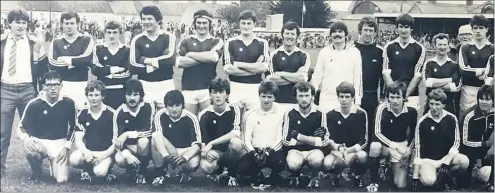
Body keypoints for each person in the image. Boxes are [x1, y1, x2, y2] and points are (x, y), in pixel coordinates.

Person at [0, 8, 47, 176]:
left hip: (28, 89)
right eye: (17, 22)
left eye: (24, 23)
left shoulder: (34, 42)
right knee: (3, 131)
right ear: (9, 23)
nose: (21, 26)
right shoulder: (2, 41)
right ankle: (0, 167)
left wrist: (40, 90)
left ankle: (36, 168)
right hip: (6, 89)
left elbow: (43, 69)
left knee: (33, 130)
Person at [16, 71, 76, 183]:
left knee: (62, 180)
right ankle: (36, 172)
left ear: (61, 86)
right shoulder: (35, 103)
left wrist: (66, 147)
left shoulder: (69, 103)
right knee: (31, 151)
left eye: (56, 84)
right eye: (49, 85)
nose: (53, 88)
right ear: (44, 87)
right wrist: (26, 138)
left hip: (59, 143)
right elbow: (21, 127)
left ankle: (54, 164)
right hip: (40, 142)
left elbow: (74, 127)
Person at [411, 88, 469, 191]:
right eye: (431, 104)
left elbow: (457, 142)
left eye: (437, 104)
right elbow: (418, 149)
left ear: (443, 105)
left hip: (446, 158)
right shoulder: (422, 122)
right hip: (429, 160)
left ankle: (448, 176)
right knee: (429, 181)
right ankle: (431, 175)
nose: (434, 107)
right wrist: (415, 176)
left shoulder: (451, 118)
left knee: (464, 161)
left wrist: (446, 161)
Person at [367, 81, 418, 192]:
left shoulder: (412, 111)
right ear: (388, 97)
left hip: (401, 146)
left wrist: (409, 149)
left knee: (400, 185)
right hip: (385, 145)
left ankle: (389, 170)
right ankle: (373, 181)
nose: (395, 101)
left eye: (398, 97)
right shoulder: (381, 109)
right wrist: (394, 146)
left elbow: (414, 133)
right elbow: (376, 133)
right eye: (392, 97)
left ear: (404, 97)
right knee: (374, 146)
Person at [236, 80, 285, 188]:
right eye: (263, 96)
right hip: (255, 151)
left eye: (269, 97)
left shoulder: (281, 113)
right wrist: (254, 154)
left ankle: (272, 178)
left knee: (280, 163)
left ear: (274, 98)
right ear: (259, 96)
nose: (266, 100)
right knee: (242, 167)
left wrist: (268, 153)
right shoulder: (250, 114)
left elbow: (280, 139)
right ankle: (258, 175)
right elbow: (246, 139)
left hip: (272, 151)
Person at [176, 10, 224, 115]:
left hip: (208, 88)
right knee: (190, 123)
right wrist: (205, 58)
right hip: (188, 88)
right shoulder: (185, 41)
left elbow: (213, 57)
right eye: (199, 23)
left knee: (207, 123)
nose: (201, 26)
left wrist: (190, 54)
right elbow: (179, 62)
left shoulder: (216, 41)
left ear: (210, 24)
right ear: (194, 24)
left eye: (204, 23)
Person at [197, 78, 243, 187]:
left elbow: (235, 132)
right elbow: (203, 142)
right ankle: (219, 172)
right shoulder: (204, 114)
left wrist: (212, 143)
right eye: (214, 92)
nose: (218, 96)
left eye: (221, 92)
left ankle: (232, 174)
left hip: (231, 149)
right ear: (210, 95)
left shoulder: (234, 109)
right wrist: (206, 152)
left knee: (236, 143)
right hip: (217, 152)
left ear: (227, 95)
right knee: (206, 166)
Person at [129, 5, 177, 109]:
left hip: (165, 84)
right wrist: (156, 65)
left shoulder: (169, 37)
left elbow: (171, 59)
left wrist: (144, 60)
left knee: (165, 119)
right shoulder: (137, 39)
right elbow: (133, 65)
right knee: (146, 121)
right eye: (143, 19)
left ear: (158, 20)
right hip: (145, 85)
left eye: (149, 18)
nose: (146, 22)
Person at [282, 82, 328, 188]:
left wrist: (299, 137)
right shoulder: (289, 113)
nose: (304, 99)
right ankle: (296, 175)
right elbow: (285, 140)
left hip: (314, 151)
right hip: (295, 150)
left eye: (307, 95)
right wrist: (313, 139)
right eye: (300, 96)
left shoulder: (321, 113)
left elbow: (325, 141)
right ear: (295, 97)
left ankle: (313, 176)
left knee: (317, 160)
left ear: (312, 96)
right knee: (294, 164)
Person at [151, 90, 202, 185]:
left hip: (185, 151)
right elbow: (157, 136)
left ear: (182, 105)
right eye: (170, 105)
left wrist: (185, 157)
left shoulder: (191, 118)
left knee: (193, 163)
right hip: (169, 151)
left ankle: (185, 172)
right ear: (166, 106)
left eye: (177, 105)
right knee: (155, 136)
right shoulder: (160, 114)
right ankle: (160, 173)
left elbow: (198, 144)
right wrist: (166, 155)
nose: (174, 109)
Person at [69, 80, 116, 183]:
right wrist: (86, 153)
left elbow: (116, 142)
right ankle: (86, 169)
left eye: (96, 95)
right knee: (74, 159)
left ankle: (109, 170)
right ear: (87, 96)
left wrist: (103, 155)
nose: (93, 98)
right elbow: (78, 139)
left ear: (102, 96)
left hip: (105, 153)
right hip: (89, 152)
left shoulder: (112, 114)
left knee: (100, 172)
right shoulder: (83, 113)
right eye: (91, 95)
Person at [323, 82, 368, 188]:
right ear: (338, 97)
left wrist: (349, 150)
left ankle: (356, 175)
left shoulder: (360, 114)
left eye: (347, 97)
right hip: (337, 151)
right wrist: (339, 148)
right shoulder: (331, 114)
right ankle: (336, 176)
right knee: (327, 163)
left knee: (362, 156)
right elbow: (328, 138)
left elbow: (364, 140)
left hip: (354, 150)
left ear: (352, 98)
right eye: (341, 96)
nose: (344, 100)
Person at [311, 21, 362, 113]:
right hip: (327, 99)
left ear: (346, 35)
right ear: (331, 35)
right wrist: (311, 96)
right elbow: (317, 76)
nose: (337, 34)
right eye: (334, 32)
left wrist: (357, 102)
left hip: (346, 100)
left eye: (340, 31)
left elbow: (358, 79)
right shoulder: (324, 52)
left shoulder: (355, 52)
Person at [224, 10, 270, 112]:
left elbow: (264, 67)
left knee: (252, 122)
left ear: (254, 24)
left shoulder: (263, 43)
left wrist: (238, 64)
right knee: (235, 121)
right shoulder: (230, 42)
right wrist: (255, 68)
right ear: (239, 24)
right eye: (243, 23)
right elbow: (228, 69)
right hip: (235, 86)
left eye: (249, 23)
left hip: (254, 87)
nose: (246, 26)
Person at [48, 11, 94, 110]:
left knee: (81, 116)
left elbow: (86, 59)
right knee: (62, 117)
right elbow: (52, 63)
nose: (69, 26)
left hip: (81, 84)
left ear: (78, 24)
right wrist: (77, 62)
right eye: (66, 23)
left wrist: (66, 60)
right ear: (62, 24)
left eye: (72, 23)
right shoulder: (56, 42)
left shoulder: (86, 39)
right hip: (62, 85)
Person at [113, 79, 154, 184]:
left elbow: (150, 131)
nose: (132, 98)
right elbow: (117, 140)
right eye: (128, 94)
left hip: (148, 147)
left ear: (141, 95)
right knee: (119, 159)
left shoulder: (148, 107)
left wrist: (127, 134)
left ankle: (142, 171)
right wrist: (128, 155)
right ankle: (131, 170)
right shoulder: (119, 112)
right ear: (124, 95)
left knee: (143, 141)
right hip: (129, 148)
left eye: (135, 94)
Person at [382, 13, 426, 110]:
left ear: (411, 29)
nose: (403, 30)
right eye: (400, 27)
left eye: (406, 27)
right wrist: (395, 94)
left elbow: (418, 75)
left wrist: (404, 95)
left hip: (411, 96)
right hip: (392, 95)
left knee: (410, 124)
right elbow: (385, 73)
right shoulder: (389, 47)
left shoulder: (419, 48)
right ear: (397, 28)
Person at [353, 16, 384, 149]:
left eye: (371, 30)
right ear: (360, 30)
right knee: (354, 123)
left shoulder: (380, 51)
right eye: (365, 30)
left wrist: (382, 97)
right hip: (353, 94)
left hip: (371, 94)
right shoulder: (352, 50)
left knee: (371, 125)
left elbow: (383, 77)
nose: (368, 33)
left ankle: (369, 158)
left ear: (375, 32)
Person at [266, 21, 310, 112]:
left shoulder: (303, 55)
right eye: (287, 33)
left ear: (297, 36)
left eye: (292, 34)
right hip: (277, 102)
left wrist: (280, 73)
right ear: (282, 35)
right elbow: (271, 80)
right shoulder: (274, 54)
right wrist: (294, 77)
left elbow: (302, 79)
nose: (289, 36)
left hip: (296, 103)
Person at [458, 85, 494, 189]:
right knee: (464, 184)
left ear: (493, 101)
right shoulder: (469, 115)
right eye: (481, 98)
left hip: (487, 151)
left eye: (487, 99)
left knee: (487, 173)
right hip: (469, 150)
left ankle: (490, 182)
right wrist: (485, 144)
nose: (483, 102)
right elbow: (464, 141)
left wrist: (491, 147)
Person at [458, 15, 494, 118]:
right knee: (466, 117)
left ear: (486, 29)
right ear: (472, 29)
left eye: (481, 28)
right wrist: (485, 71)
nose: (478, 31)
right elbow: (462, 70)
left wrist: (473, 71)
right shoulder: (465, 48)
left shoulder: (492, 48)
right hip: (469, 90)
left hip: (488, 90)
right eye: (475, 28)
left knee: (487, 119)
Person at [91, 20, 130, 110]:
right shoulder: (99, 49)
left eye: (115, 32)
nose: (111, 36)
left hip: (121, 92)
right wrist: (111, 70)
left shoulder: (127, 50)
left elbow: (127, 73)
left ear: (120, 33)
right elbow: (94, 69)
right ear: (105, 33)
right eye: (109, 32)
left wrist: (105, 74)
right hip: (103, 92)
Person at [422, 33, 460, 114]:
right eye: (439, 44)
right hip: (431, 104)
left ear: (448, 46)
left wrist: (434, 84)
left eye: (445, 44)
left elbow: (455, 88)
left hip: (448, 104)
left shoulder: (454, 65)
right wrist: (450, 80)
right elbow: (427, 83)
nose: (442, 47)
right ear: (434, 45)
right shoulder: (429, 63)